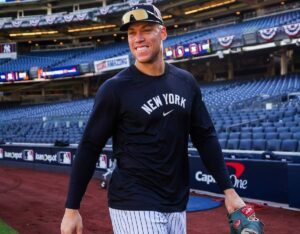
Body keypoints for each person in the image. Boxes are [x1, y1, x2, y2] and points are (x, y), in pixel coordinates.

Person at [61, 3, 246, 234]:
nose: (138, 38)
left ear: (163, 32)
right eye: (131, 33)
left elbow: (205, 137)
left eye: (146, 29)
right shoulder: (115, 89)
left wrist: (229, 191)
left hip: (176, 201)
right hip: (133, 201)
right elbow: (89, 146)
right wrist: (72, 209)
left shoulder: (185, 82)